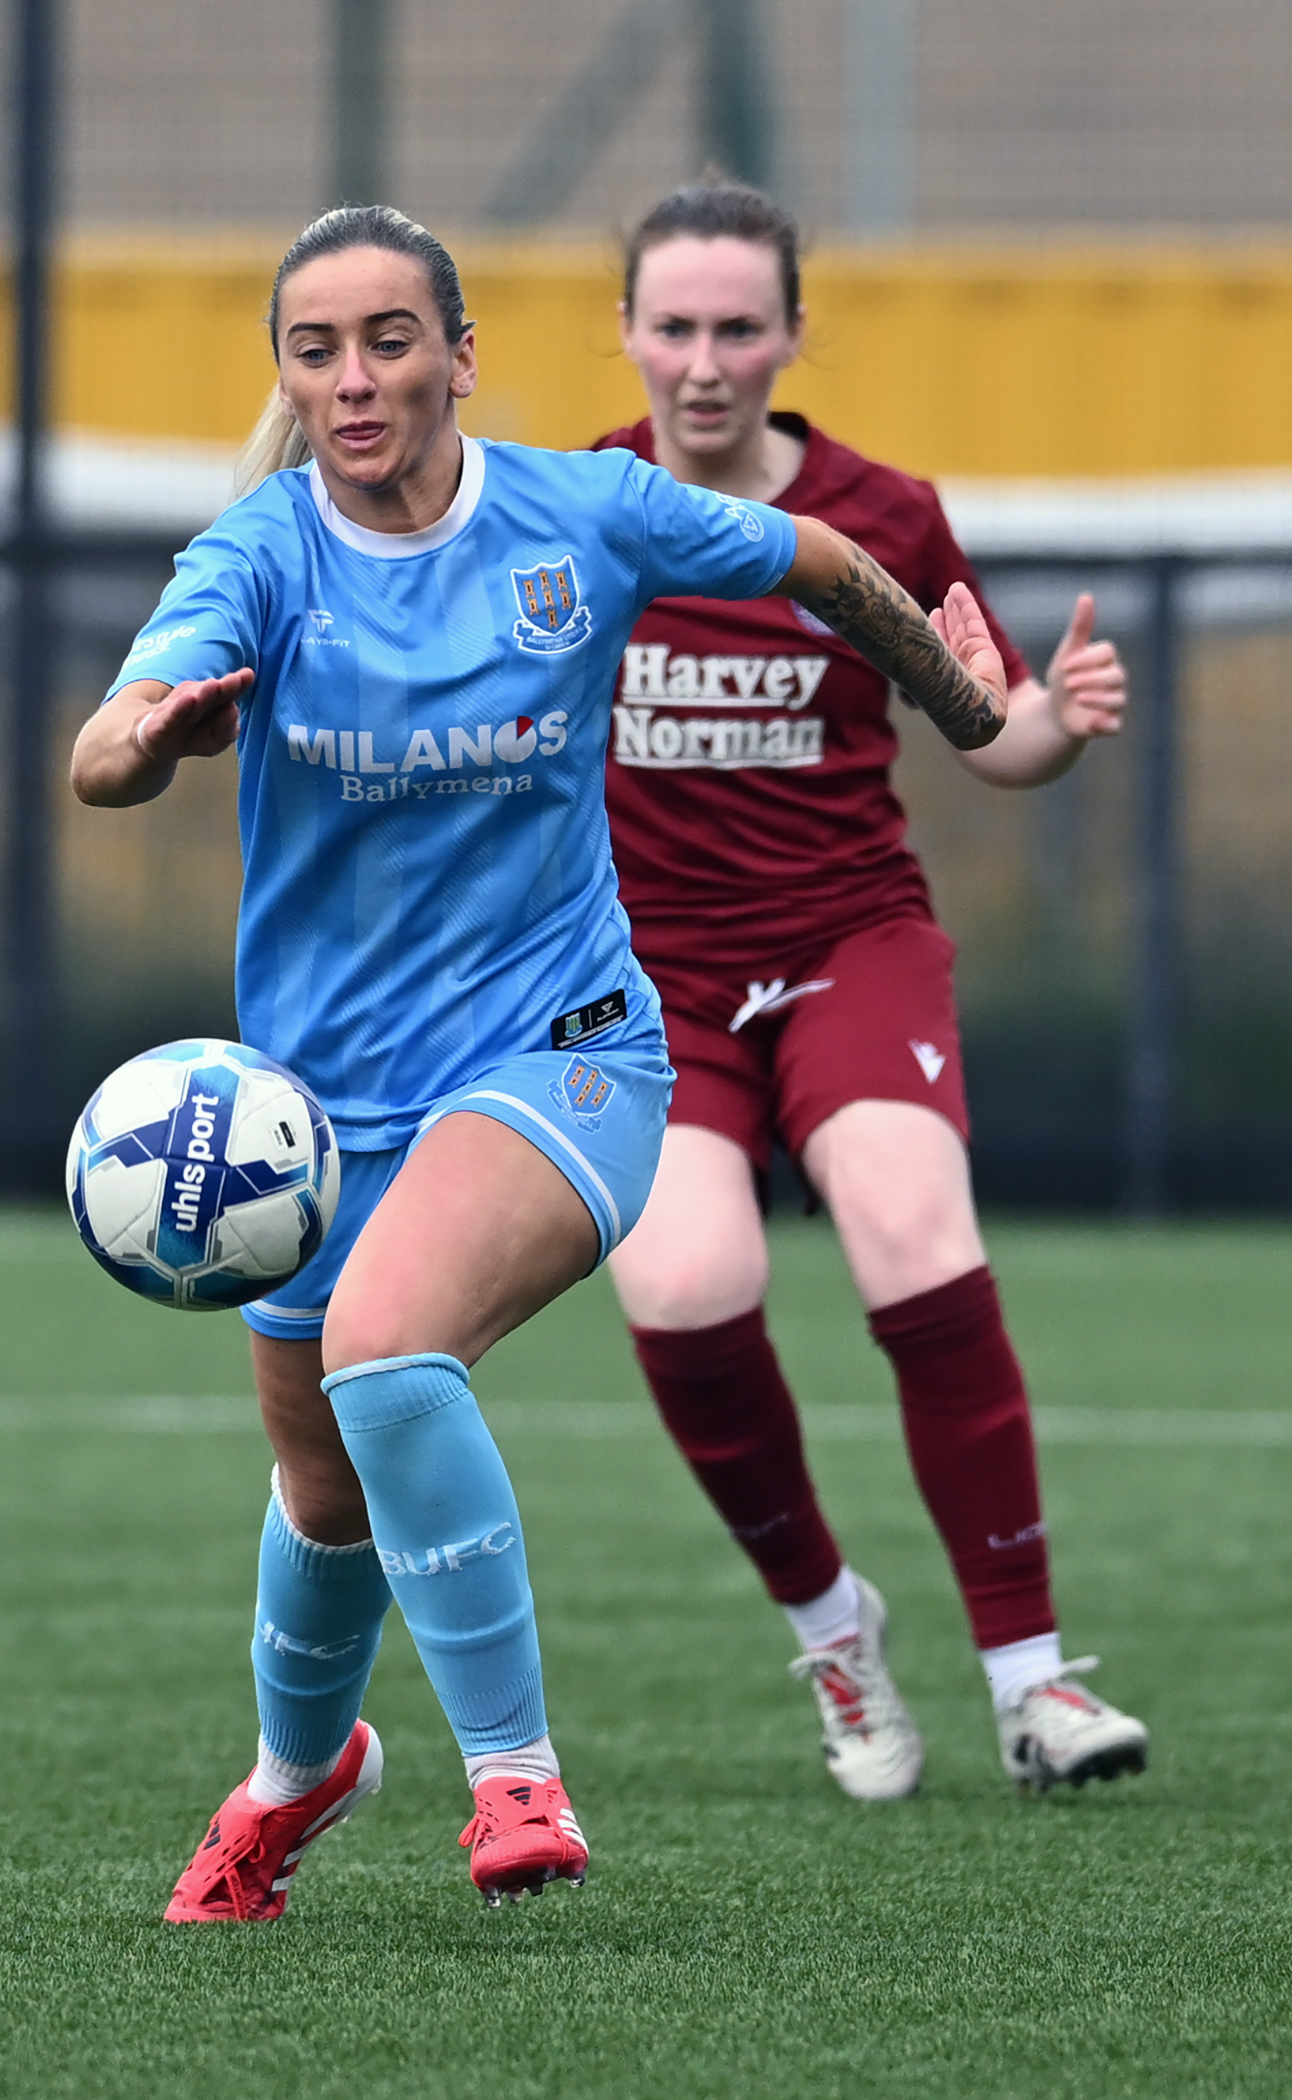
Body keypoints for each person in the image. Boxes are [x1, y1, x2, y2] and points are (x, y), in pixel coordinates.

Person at [71, 203, 1010, 1921]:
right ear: (288, 376)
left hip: (559, 1049)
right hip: (317, 1112)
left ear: (460, 354)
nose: (355, 380)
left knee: (383, 1345)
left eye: (389, 340)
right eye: (316, 351)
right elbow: (102, 755)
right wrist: (152, 734)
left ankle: (515, 1778)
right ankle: (294, 1777)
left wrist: (966, 703)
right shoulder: (259, 553)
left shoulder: (587, 512)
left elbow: (819, 560)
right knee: (323, 1486)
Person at [597, 178, 1149, 1801]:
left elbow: (996, 733)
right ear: (627, 332)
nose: (707, 362)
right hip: (644, 979)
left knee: (913, 1231)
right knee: (684, 1283)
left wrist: (1057, 721)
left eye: (739, 327)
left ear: (792, 334)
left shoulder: (880, 516)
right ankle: (835, 1631)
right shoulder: (571, 508)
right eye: (676, 327)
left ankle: (1035, 1685)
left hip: (848, 940)